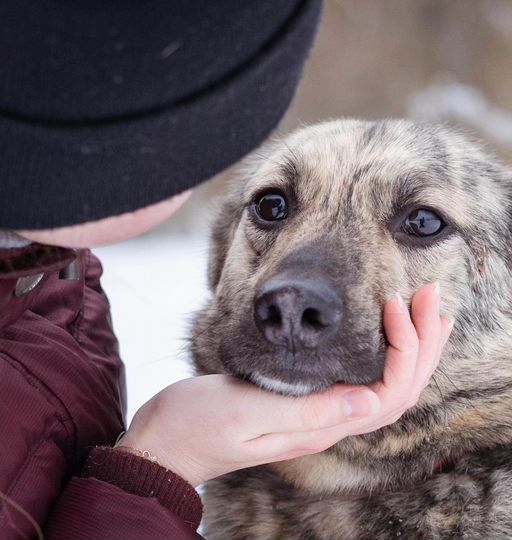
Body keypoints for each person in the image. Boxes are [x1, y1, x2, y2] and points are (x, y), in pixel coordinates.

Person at [0, 2, 452, 538]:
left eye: (421, 223)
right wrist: (157, 466)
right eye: (273, 208)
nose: (294, 298)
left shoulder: (46, 272)